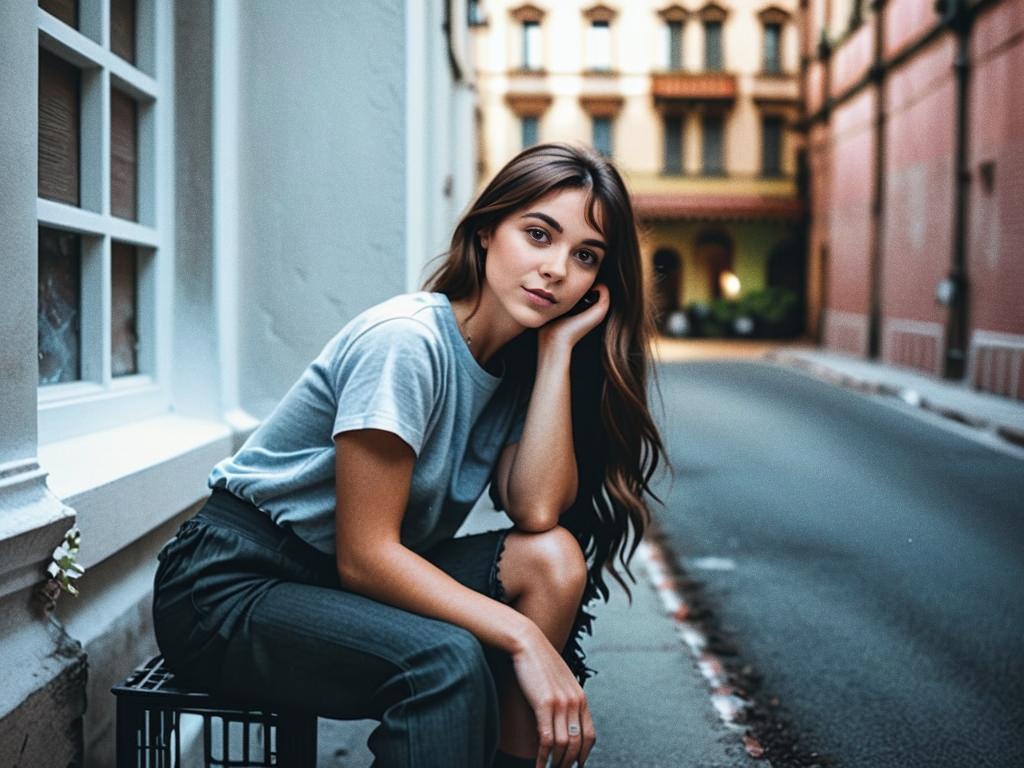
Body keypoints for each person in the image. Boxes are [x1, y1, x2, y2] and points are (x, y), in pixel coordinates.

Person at [152, 142, 666, 768]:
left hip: (327, 582)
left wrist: (557, 350)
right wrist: (523, 637)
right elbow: (366, 559)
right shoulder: (408, 343)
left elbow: (535, 510)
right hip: (229, 586)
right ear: (484, 233)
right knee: (444, 661)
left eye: (585, 256)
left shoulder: (516, 369)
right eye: (538, 234)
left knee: (553, 561)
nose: (557, 268)